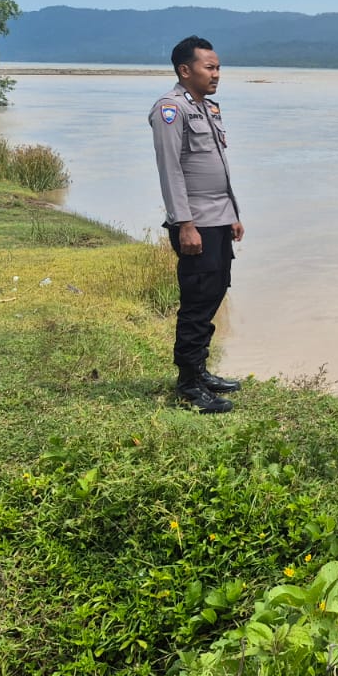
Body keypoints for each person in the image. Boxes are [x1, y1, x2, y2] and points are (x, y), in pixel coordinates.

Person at [150, 35, 243, 414]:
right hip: (196, 223)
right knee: (197, 300)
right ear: (185, 70)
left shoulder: (208, 108)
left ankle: (201, 371)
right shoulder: (170, 110)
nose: (216, 73)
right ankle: (188, 384)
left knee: (216, 292)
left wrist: (233, 215)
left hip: (219, 219)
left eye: (218, 67)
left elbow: (217, 167)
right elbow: (171, 171)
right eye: (209, 67)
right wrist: (184, 223)